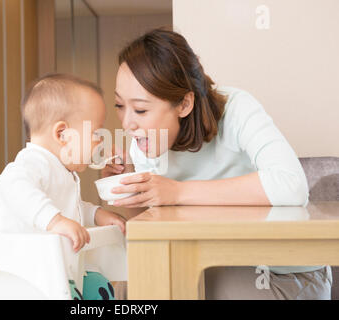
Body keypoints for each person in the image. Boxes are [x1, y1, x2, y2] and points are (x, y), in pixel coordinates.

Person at [102, 28, 332, 299]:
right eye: (119, 105)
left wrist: (177, 192)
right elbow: (149, 228)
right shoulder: (143, 140)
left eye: (140, 109)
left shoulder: (236, 109)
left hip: (281, 272)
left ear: (184, 103)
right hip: (205, 264)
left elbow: (291, 186)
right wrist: (132, 191)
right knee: (135, 289)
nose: (128, 123)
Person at [0, 73, 126, 300]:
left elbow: (71, 205)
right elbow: (12, 185)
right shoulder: (33, 162)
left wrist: (96, 214)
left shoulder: (61, 170)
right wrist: (56, 221)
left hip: (53, 270)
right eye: (96, 134)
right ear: (62, 134)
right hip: (21, 275)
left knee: (99, 286)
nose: (100, 141)